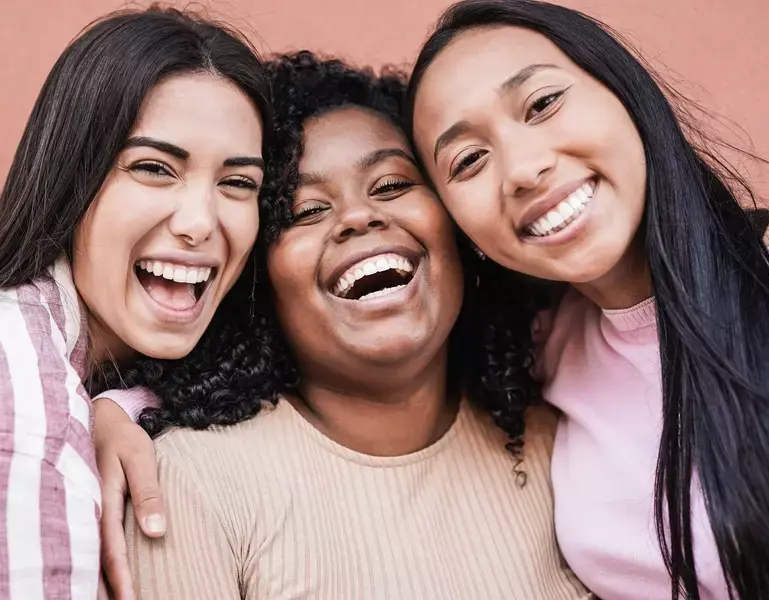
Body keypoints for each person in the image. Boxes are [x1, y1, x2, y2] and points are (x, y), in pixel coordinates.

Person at [110, 51, 590, 600]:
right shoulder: (189, 483)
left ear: (459, 231)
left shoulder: (562, 443)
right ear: (257, 282)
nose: (359, 217)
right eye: (305, 212)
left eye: (389, 186)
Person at [406, 1, 769, 598]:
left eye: (542, 104)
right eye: (467, 161)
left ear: (627, 95)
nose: (522, 169)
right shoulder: (536, 361)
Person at [0, 7, 269, 598]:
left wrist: (119, 405)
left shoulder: (67, 365)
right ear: (73, 173)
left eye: (238, 183)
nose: (200, 223)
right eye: (153, 168)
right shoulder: (23, 402)